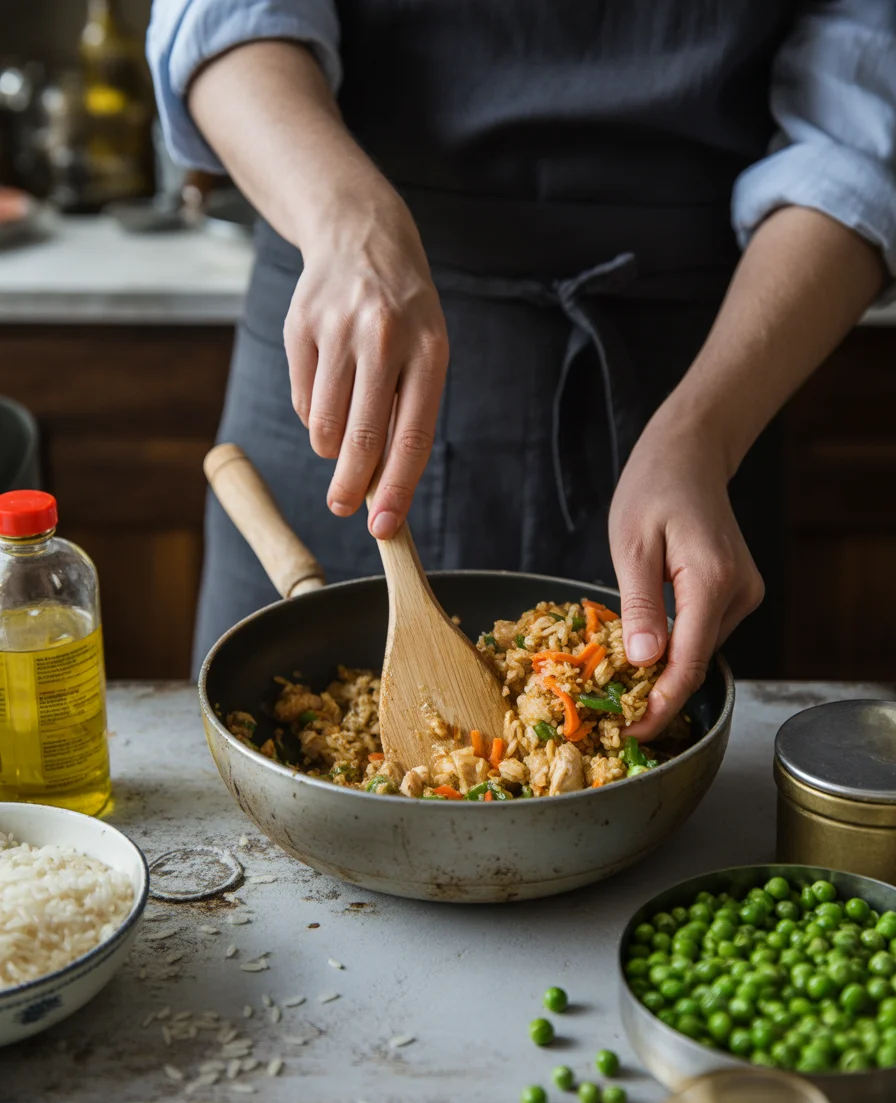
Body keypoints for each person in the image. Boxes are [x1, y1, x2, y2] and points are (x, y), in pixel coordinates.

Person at [148, 1, 894, 735]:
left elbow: (857, 138)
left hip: (708, 359)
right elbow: (221, 20)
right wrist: (349, 222)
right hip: (346, 316)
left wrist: (706, 431)